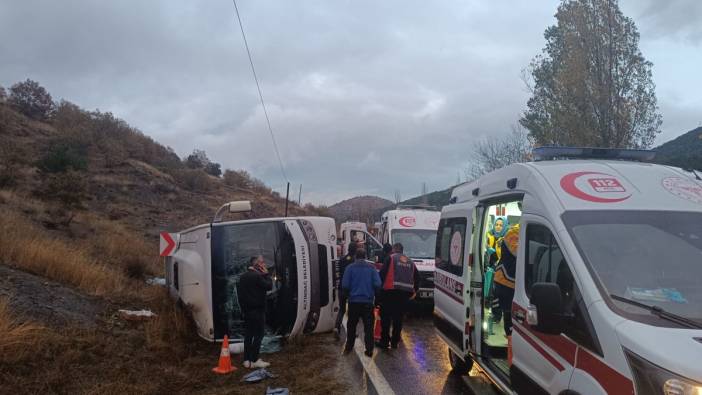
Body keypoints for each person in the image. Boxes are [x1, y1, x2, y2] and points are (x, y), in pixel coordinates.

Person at [377, 243, 419, 349]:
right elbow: (417, 278)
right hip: (404, 295)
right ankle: (395, 342)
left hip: (389, 292)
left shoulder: (390, 258)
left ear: (394, 249)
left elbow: (382, 274)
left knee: (386, 318)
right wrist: (413, 292)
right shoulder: (410, 261)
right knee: (398, 319)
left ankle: (385, 341)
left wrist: (379, 292)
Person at [341, 248, 381, 357]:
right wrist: (377, 299)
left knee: (351, 325)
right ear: (365, 257)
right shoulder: (372, 269)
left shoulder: (349, 268)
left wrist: (347, 296)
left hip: (354, 302)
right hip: (368, 303)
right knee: (368, 328)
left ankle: (349, 346)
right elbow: (378, 284)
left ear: (355, 257)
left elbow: (345, 285)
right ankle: (369, 350)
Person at [236, 255, 273, 369]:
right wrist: (266, 274)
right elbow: (269, 286)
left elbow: (240, 296)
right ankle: (254, 360)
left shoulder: (243, 277)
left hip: (247, 311)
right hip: (257, 311)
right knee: (258, 335)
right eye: (262, 263)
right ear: (256, 264)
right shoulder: (257, 276)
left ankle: (247, 360)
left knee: (248, 335)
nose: (264, 264)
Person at [493, 224, 519, 337]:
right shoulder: (512, 233)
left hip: (512, 280)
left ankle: (510, 336)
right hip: (505, 279)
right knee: (508, 310)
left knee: (511, 311)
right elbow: (518, 253)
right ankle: (509, 337)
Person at [335, 242, 358, 337]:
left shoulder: (342, 259)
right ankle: (352, 332)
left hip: (341, 288)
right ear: (355, 250)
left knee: (342, 309)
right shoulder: (354, 261)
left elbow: (339, 272)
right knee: (352, 311)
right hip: (351, 289)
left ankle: (337, 327)